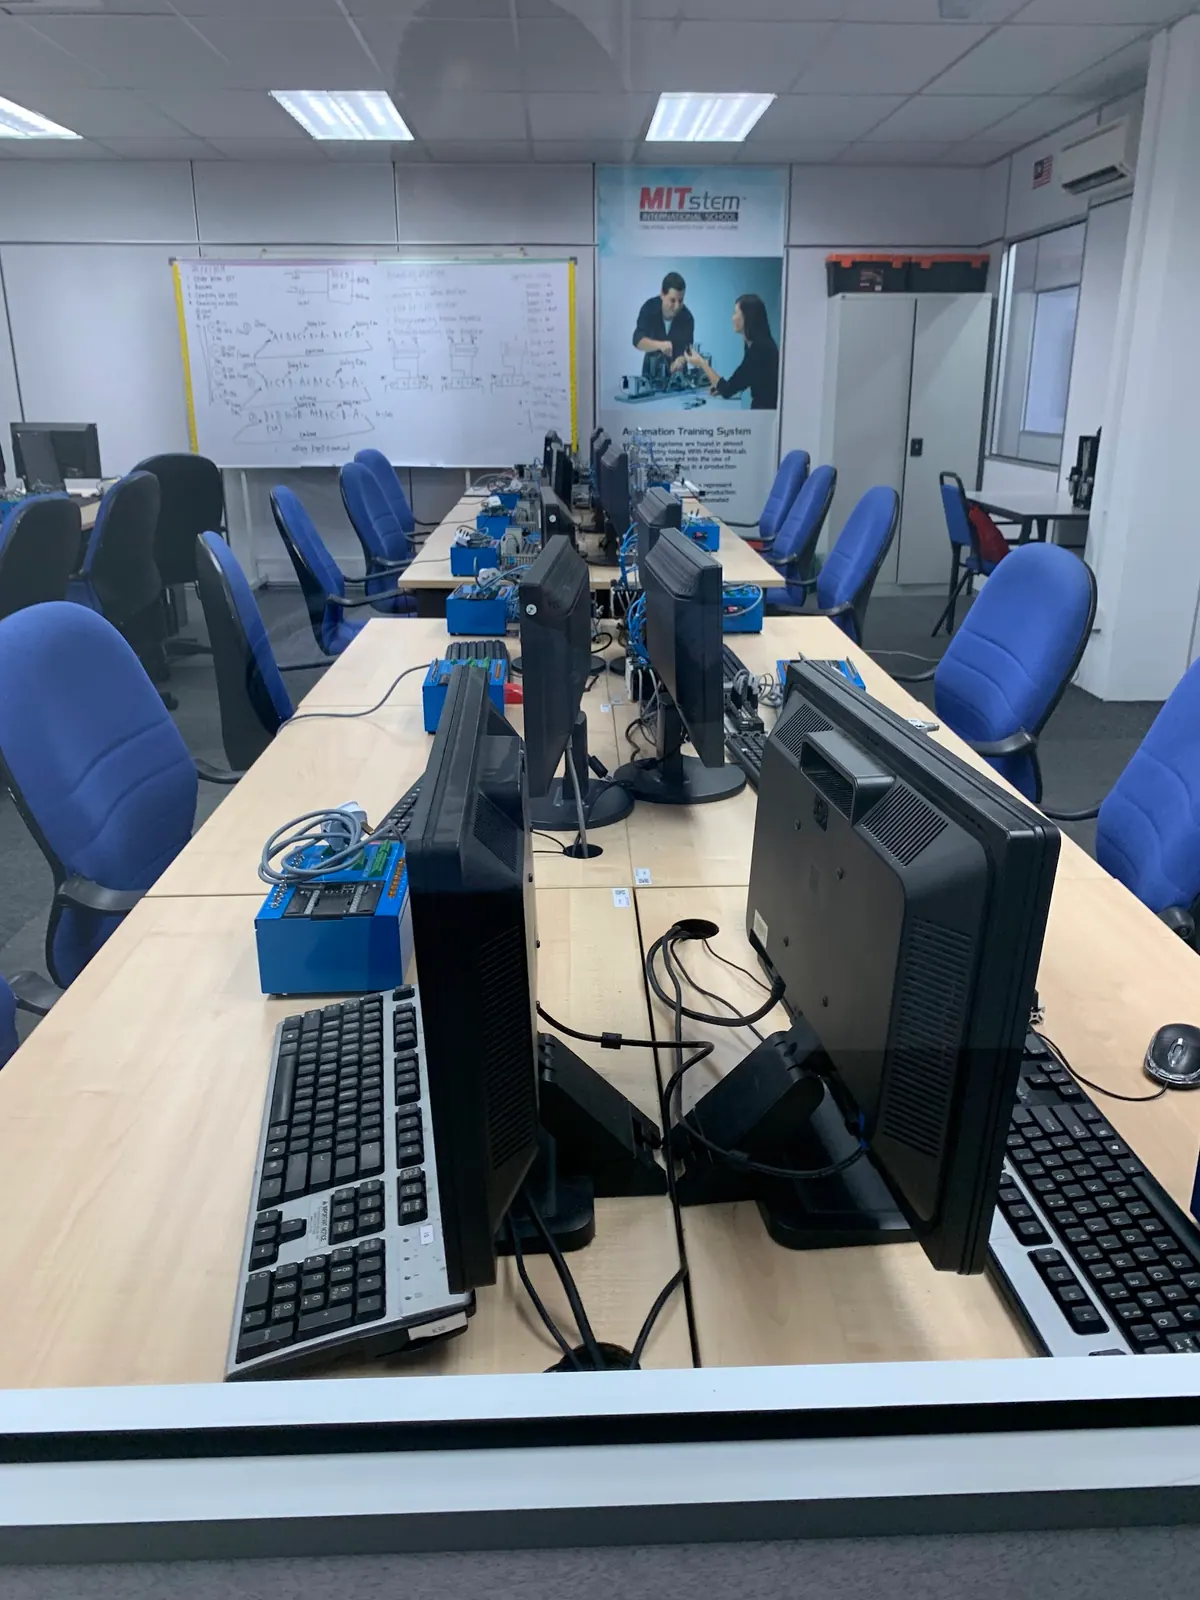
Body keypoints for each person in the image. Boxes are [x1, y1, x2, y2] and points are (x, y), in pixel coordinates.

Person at [687, 293, 779, 410]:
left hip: (765, 413)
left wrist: (701, 363)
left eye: (735, 313)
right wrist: (721, 388)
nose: (732, 318)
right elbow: (740, 381)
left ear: (747, 317)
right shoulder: (757, 345)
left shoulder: (760, 350)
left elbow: (728, 390)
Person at [632, 272, 695, 378]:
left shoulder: (687, 318)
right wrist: (660, 345)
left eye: (680, 301)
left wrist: (681, 361)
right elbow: (637, 340)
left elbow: (688, 350)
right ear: (662, 294)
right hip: (651, 376)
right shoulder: (649, 308)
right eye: (672, 300)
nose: (677, 306)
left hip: (678, 378)